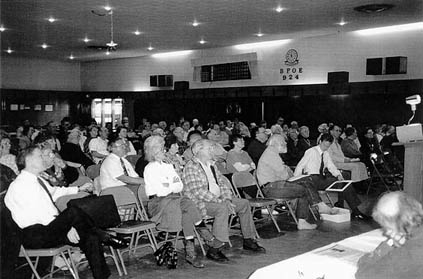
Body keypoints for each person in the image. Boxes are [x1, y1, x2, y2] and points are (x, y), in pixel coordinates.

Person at [4, 146, 128, 279]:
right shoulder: (21, 185)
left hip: (50, 229)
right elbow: (39, 215)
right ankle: (104, 234)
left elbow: (55, 192)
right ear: (29, 160)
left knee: (90, 236)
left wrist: (78, 189)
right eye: (40, 156)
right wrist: (67, 227)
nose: (44, 159)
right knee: (73, 211)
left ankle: (102, 275)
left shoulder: (36, 180)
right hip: (35, 235)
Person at [143, 136, 224, 268]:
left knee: (187, 210)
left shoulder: (167, 166)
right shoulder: (149, 168)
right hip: (158, 204)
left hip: (175, 200)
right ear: (151, 152)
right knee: (186, 202)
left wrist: (168, 184)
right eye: (158, 151)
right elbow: (160, 192)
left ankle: (191, 253)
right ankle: (204, 233)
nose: (162, 153)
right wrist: (170, 185)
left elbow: (179, 186)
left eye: (163, 149)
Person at [182, 139, 266, 262]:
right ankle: (215, 249)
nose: (212, 150)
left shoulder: (212, 165)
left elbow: (223, 185)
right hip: (200, 203)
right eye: (209, 148)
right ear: (199, 150)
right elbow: (198, 192)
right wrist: (221, 201)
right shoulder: (191, 166)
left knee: (244, 203)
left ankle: (248, 239)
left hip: (218, 199)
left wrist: (226, 198)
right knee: (222, 209)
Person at [257, 134, 335, 230]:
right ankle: (315, 209)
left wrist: (286, 170)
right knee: (305, 188)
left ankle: (310, 214)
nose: (286, 143)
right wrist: (287, 170)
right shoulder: (271, 154)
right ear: (277, 143)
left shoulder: (272, 153)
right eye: (283, 142)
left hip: (276, 185)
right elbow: (284, 175)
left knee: (305, 183)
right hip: (272, 188)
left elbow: (284, 173)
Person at [294, 134, 370, 220]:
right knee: (340, 179)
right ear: (320, 141)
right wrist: (297, 180)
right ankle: (354, 211)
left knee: (344, 182)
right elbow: (300, 165)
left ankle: (355, 211)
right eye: (324, 145)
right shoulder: (311, 151)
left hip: (321, 179)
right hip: (312, 179)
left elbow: (331, 166)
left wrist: (338, 175)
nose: (325, 148)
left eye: (328, 146)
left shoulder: (325, 154)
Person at [355, 192, 423, 279]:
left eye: (386, 227)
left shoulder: (408, 253)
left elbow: (363, 275)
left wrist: (388, 244)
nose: (386, 232)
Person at [328, 125, 369, 191]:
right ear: (331, 132)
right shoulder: (328, 142)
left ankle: (363, 184)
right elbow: (330, 156)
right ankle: (356, 186)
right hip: (335, 163)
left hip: (341, 161)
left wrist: (348, 159)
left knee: (361, 164)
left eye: (339, 131)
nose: (339, 132)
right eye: (336, 131)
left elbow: (341, 155)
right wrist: (344, 160)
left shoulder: (337, 143)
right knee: (355, 166)